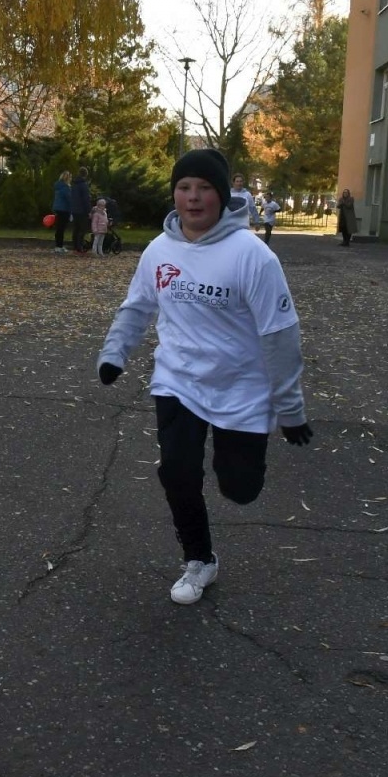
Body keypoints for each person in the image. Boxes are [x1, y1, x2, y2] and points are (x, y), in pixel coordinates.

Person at [96, 148, 312, 606]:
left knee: (240, 490)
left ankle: (236, 467)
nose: (193, 198)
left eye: (204, 188)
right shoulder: (159, 250)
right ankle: (199, 559)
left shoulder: (253, 256)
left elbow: (280, 336)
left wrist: (290, 410)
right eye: (184, 187)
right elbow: (137, 306)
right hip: (179, 381)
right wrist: (115, 354)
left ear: (222, 195)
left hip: (242, 389)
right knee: (176, 472)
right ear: (174, 193)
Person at [70, 166, 93, 255]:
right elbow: (85, 199)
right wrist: (89, 211)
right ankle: (79, 248)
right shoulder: (83, 185)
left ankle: (75, 247)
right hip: (82, 210)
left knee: (76, 229)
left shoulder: (74, 184)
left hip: (74, 209)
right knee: (82, 230)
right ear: (86, 175)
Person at [51, 170, 73, 252]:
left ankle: (59, 245)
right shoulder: (65, 188)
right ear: (67, 178)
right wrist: (71, 212)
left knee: (59, 228)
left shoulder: (58, 187)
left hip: (58, 208)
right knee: (61, 228)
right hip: (64, 209)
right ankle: (59, 246)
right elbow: (69, 200)